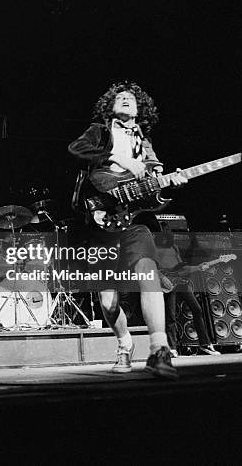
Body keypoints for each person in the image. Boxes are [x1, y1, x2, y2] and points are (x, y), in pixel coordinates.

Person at [68, 81, 187, 379]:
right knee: (109, 302)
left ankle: (159, 351)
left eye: (129, 98)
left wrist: (168, 180)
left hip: (133, 221)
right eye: (119, 97)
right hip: (100, 223)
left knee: (147, 273)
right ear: (110, 106)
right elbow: (76, 149)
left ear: (140, 108)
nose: (124, 98)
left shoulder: (144, 142)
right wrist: (116, 157)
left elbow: (154, 180)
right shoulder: (101, 130)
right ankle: (124, 343)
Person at [155, 222, 220, 357]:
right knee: (170, 317)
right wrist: (162, 278)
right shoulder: (154, 248)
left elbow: (181, 268)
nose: (170, 233)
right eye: (166, 230)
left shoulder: (174, 247)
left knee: (197, 309)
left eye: (170, 230)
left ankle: (204, 344)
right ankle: (172, 347)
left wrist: (198, 267)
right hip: (167, 284)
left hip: (180, 282)